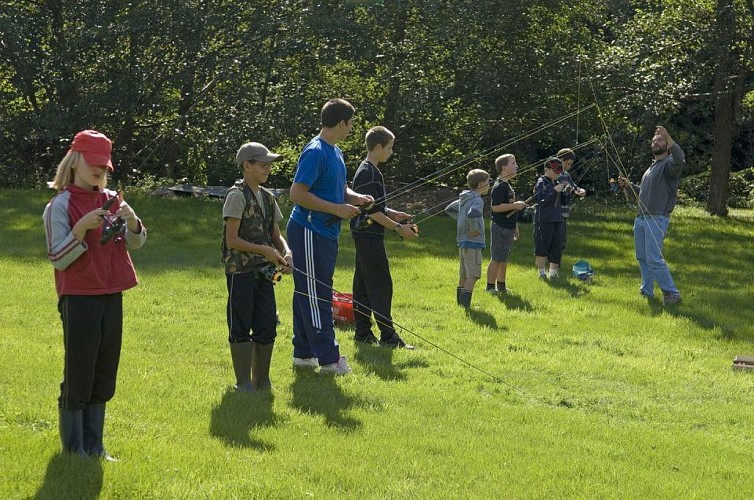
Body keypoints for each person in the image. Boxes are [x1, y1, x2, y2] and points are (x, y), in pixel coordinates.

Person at [43, 130, 147, 459]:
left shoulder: (113, 198)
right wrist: (81, 228)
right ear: (75, 161)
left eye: (104, 166)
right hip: (79, 296)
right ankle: (74, 449)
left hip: (111, 294)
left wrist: (132, 223)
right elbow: (58, 258)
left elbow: (137, 243)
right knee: (80, 369)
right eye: (94, 164)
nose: (99, 171)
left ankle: (96, 445)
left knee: (105, 368)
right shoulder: (59, 205)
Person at [287, 98, 374, 375]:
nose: (351, 129)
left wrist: (355, 198)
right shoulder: (315, 151)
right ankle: (329, 360)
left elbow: (335, 187)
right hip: (309, 231)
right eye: (351, 124)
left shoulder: (334, 152)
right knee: (317, 294)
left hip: (324, 232)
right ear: (341, 123)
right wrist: (337, 208)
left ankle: (304, 354)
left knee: (307, 291)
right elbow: (297, 194)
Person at [222, 142, 292, 392]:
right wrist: (265, 251)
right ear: (246, 165)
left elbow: (276, 234)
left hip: (264, 271)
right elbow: (232, 239)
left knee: (266, 324)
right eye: (263, 165)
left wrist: (286, 251)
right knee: (240, 324)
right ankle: (243, 383)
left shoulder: (268, 197)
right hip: (240, 271)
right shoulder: (235, 195)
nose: (268, 169)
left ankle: (262, 380)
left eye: (269, 165)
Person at [350, 126, 418, 349]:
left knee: (363, 284)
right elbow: (371, 213)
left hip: (367, 236)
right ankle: (388, 337)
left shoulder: (372, 170)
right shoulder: (367, 173)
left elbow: (377, 206)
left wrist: (395, 213)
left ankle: (362, 333)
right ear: (377, 147)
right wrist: (399, 228)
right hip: (367, 236)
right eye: (389, 148)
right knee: (381, 284)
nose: (391, 152)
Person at [617, 126, 684, 305]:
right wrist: (628, 185)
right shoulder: (651, 168)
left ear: (667, 145)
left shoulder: (669, 165)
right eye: (654, 141)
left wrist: (667, 135)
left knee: (654, 258)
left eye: (660, 140)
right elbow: (643, 193)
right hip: (641, 218)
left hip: (656, 218)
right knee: (642, 257)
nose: (656, 142)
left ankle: (672, 294)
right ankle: (647, 291)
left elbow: (680, 159)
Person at [445, 169, 491, 309]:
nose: (489, 185)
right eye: (488, 182)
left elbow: (449, 209)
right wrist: (474, 229)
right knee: (474, 274)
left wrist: (461, 220)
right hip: (473, 243)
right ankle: (465, 306)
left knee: (464, 275)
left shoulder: (464, 198)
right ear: (481, 183)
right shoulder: (477, 200)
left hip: (462, 242)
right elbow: (473, 214)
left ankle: (460, 306)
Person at [486, 154, 528, 294]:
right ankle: (490, 287)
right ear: (504, 167)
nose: (516, 166)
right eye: (513, 163)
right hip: (500, 227)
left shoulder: (508, 185)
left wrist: (515, 226)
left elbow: (510, 207)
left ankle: (502, 286)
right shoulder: (499, 186)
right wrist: (516, 205)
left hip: (508, 227)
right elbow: (495, 207)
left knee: (503, 258)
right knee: (496, 258)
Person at [533, 157, 568, 279]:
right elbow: (541, 201)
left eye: (559, 171)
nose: (557, 174)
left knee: (557, 246)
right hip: (544, 219)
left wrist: (565, 192)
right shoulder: (541, 182)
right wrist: (554, 191)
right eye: (555, 171)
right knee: (542, 246)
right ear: (546, 169)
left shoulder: (557, 183)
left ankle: (553, 273)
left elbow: (563, 201)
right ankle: (541, 272)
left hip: (557, 219)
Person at [556, 148, 587, 251]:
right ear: (560, 160)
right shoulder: (553, 174)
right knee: (554, 239)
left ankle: (555, 264)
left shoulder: (566, 175)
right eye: (567, 163)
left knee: (561, 239)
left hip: (564, 212)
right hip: (554, 211)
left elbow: (574, 187)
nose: (568, 166)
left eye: (570, 164)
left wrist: (580, 190)